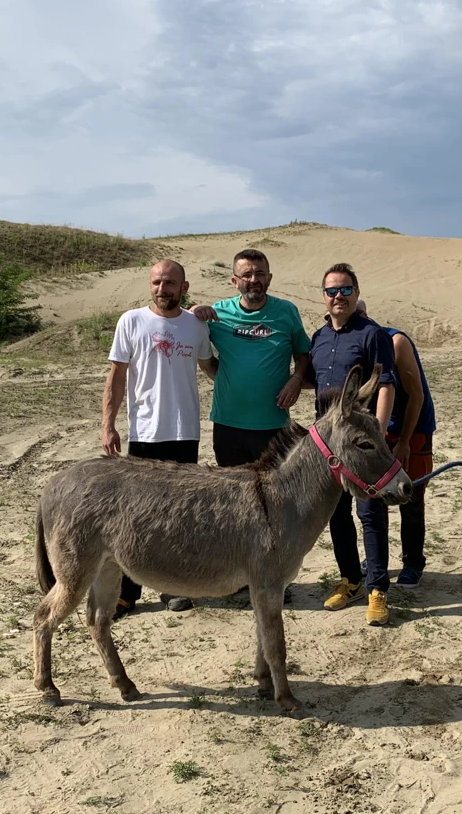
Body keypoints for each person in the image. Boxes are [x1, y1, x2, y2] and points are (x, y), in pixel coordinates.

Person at [190, 249, 312, 603]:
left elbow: (302, 352)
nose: (253, 280)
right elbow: (203, 354)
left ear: (269, 278)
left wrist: (296, 378)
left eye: (259, 273)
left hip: (273, 426)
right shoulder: (217, 313)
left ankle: (273, 578)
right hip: (228, 423)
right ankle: (236, 578)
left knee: (274, 504)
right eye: (246, 274)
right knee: (233, 504)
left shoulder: (286, 312)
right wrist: (195, 313)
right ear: (235, 281)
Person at [100, 259, 216, 618]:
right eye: (156, 282)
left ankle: (174, 587)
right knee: (135, 515)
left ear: (184, 287)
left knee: (181, 515)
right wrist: (108, 424)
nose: (162, 289)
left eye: (170, 283)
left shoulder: (195, 325)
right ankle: (128, 591)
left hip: (185, 432)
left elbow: (212, 369)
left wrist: (217, 322)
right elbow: (116, 375)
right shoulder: (131, 321)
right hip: (145, 432)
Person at [303, 264, 397, 626]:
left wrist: (380, 431)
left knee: (370, 514)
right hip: (327, 446)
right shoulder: (319, 337)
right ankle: (351, 579)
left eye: (345, 290)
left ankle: (377, 588)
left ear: (356, 292)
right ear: (323, 296)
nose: (338, 297)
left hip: (359, 444)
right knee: (337, 514)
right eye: (331, 291)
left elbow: (385, 384)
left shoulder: (373, 334)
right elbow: (314, 381)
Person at [354, 299, 436, 588]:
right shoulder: (351, 343)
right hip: (378, 431)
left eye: (359, 316)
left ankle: (413, 562)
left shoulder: (394, 341)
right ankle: (378, 561)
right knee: (375, 498)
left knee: (409, 495)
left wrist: (403, 441)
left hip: (412, 429)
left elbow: (417, 396)